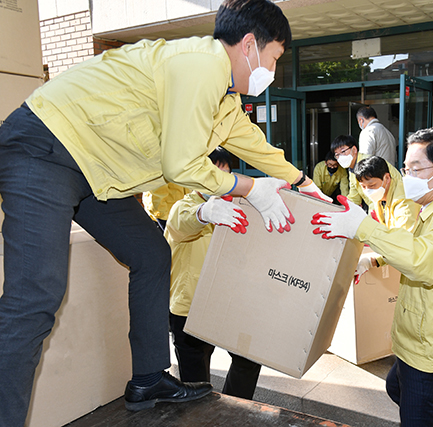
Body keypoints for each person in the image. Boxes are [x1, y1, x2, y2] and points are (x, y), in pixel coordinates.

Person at [0, 0, 330, 424]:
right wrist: (249, 187)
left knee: (152, 253)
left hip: (94, 174)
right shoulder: (200, 65)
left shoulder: (225, 100)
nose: (273, 70)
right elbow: (181, 165)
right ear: (250, 44)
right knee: (36, 296)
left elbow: (256, 146)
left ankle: (148, 379)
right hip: (44, 148)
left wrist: (304, 185)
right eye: (275, 57)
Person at [312, 127, 433, 426]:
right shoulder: (431, 209)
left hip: (429, 357)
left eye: (416, 169)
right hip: (412, 344)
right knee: (395, 388)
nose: (408, 176)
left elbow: (424, 262)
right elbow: (413, 247)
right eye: (406, 168)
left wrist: (363, 227)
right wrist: (372, 259)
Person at [165, 147, 261, 399]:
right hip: (190, 308)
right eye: (212, 173)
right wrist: (204, 213)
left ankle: (233, 411)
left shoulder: (238, 207)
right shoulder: (184, 206)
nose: (219, 181)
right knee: (196, 384)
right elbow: (181, 224)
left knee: (248, 359)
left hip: (228, 303)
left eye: (225, 174)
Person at [352, 155, 421, 282]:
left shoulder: (404, 199)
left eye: (372, 185)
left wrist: (374, 261)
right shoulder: (382, 196)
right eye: (363, 186)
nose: (368, 191)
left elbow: (400, 242)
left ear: (387, 178)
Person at [331, 134, 404, 210]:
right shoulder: (352, 170)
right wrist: (342, 209)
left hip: (395, 202)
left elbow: (376, 196)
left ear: (354, 150)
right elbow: (355, 197)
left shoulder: (367, 164)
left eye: (343, 151)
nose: (341, 157)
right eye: (337, 155)